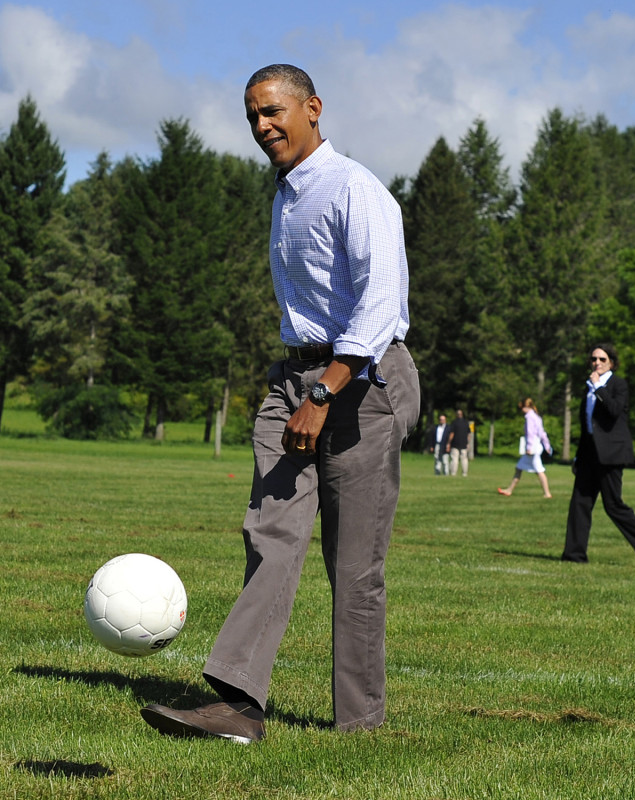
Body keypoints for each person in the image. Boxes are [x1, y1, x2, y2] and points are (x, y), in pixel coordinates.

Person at [140, 64, 420, 743]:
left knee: (353, 565)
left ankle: (359, 725)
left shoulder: (355, 189)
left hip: (363, 382)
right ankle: (239, 704)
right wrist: (300, 385)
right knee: (270, 534)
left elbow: (380, 302)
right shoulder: (287, 195)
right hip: (295, 378)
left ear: (312, 108)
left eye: (272, 111)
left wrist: (324, 391)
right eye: (252, 117)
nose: (262, 126)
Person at [562, 343, 635, 567]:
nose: (596, 363)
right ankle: (574, 555)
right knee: (579, 503)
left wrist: (599, 387)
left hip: (611, 454)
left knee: (613, 505)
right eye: (593, 359)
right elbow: (587, 425)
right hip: (589, 453)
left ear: (612, 363)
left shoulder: (618, 385)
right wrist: (578, 456)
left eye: (602, 359)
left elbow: (614, 410)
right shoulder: (588, 386)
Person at [498, 397, 554, 498]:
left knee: (539, 471)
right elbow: (542, 433)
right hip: (536, 446)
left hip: (532, 448)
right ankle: (509, 490)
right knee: (519, 468)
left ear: (525, 407)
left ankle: (547, 493)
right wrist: (547, 445)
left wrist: (529, 447)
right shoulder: (537, 417)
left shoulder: (529, 417)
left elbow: (530, 433)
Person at [447, 409, 471, 477]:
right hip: (464, 444)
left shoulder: (454, 422)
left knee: (454, 459)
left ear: (456, 415)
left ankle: (453, 473)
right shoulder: (466, 422)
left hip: (455, 444)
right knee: (464, 459)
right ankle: (464, 473)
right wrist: (467, 443)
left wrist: (448, 443)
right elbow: (469, 434)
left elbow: (452, 434)